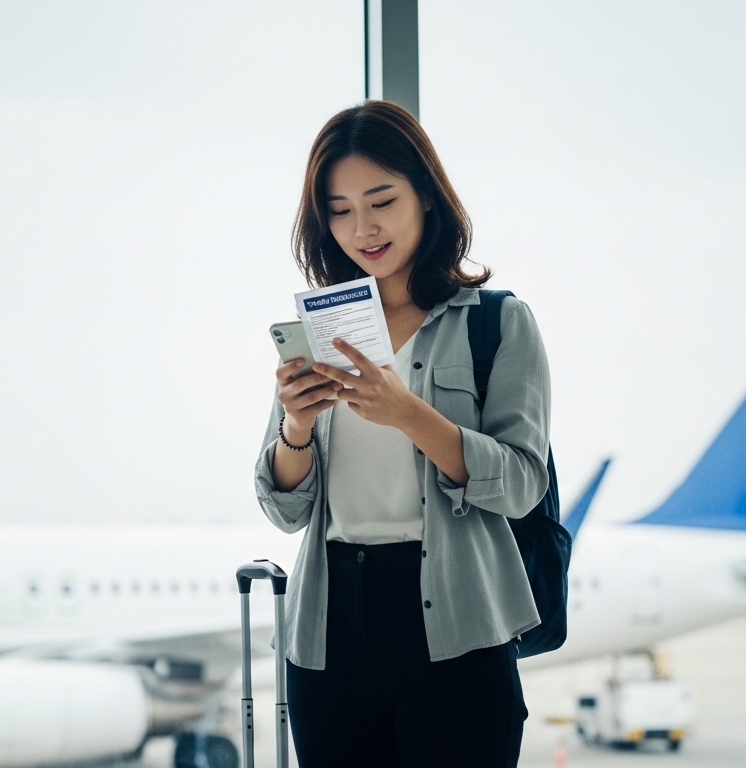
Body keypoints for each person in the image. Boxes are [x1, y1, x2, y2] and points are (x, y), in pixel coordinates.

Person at [254, 100, 552, 768]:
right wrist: (296, 427)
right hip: (329, 630)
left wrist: (408, 413)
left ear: (426, 194)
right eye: (338, 209)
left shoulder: (497, 323)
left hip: (456, 623)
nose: (361, 227)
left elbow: (523, 485)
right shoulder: (320, 328)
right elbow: (285, 507)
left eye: (380, 200)